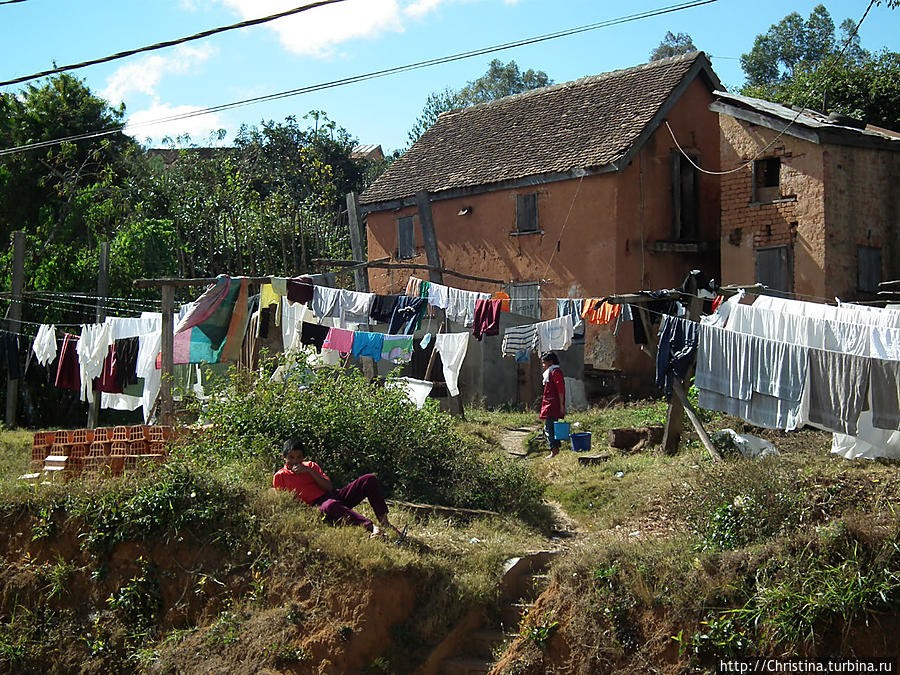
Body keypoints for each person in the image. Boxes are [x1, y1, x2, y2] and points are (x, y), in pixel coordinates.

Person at [274, 437, 399, 537]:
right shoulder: (281, 476)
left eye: (299, 457)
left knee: (369, 479)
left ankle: (385, 522)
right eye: (291, 457)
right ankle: (371, 527)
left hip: (333, 495)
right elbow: (285, 502)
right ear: (284, 457)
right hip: (320, 506)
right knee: (330, 505)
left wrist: (309, 471)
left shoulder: (311, 466)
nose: (295, 461)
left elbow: (328, 487)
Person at [539, 351, 566, 458]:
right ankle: (556, 448)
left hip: (552, 405)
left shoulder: (555, 372)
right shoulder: (551, 372)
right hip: (550, 404)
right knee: (552, 427)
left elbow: (560, 390)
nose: (543, 365)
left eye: (544, 363)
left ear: (550, 362)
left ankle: (554, 450)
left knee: (548, 428)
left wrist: (561, 405)